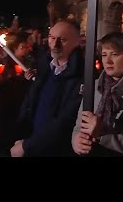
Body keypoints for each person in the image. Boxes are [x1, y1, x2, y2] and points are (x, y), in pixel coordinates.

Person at [10, 19, 84, 157]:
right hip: (31, 140)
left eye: (63, 39)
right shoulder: (45, 65)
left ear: (77, 42)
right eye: (52, 38)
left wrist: (27, 146)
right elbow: (31, 101)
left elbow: (65, 120)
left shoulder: (81, 75)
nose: (55, 44)